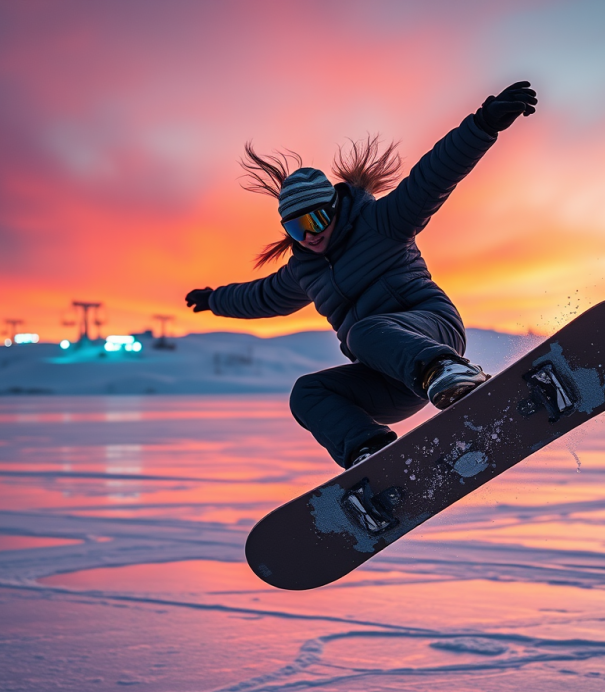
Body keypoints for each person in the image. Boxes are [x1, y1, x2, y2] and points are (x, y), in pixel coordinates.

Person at [186, 82, 537, 469]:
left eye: (316, 219)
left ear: (335, 207)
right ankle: (370, 454)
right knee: (308, 392)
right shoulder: (305, 269)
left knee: (364, 331)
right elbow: (260, 297)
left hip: (430, 332)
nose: (311, 234)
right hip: (392, 376)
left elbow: (433, 177)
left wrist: (483, 124)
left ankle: (451, 371)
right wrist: (214, 299)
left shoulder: (381, 222)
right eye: (297, 229)